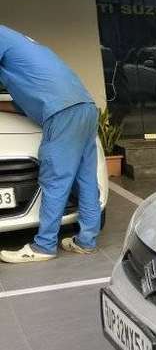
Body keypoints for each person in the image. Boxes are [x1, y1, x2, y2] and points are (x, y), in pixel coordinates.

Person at [0, 26, 101, 263]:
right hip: (84, 107)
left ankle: (43, 246)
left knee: (55, 181)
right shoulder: (22, 45)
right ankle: (86, 242)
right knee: (85, 180)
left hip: (61, 113)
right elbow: (25, 103)